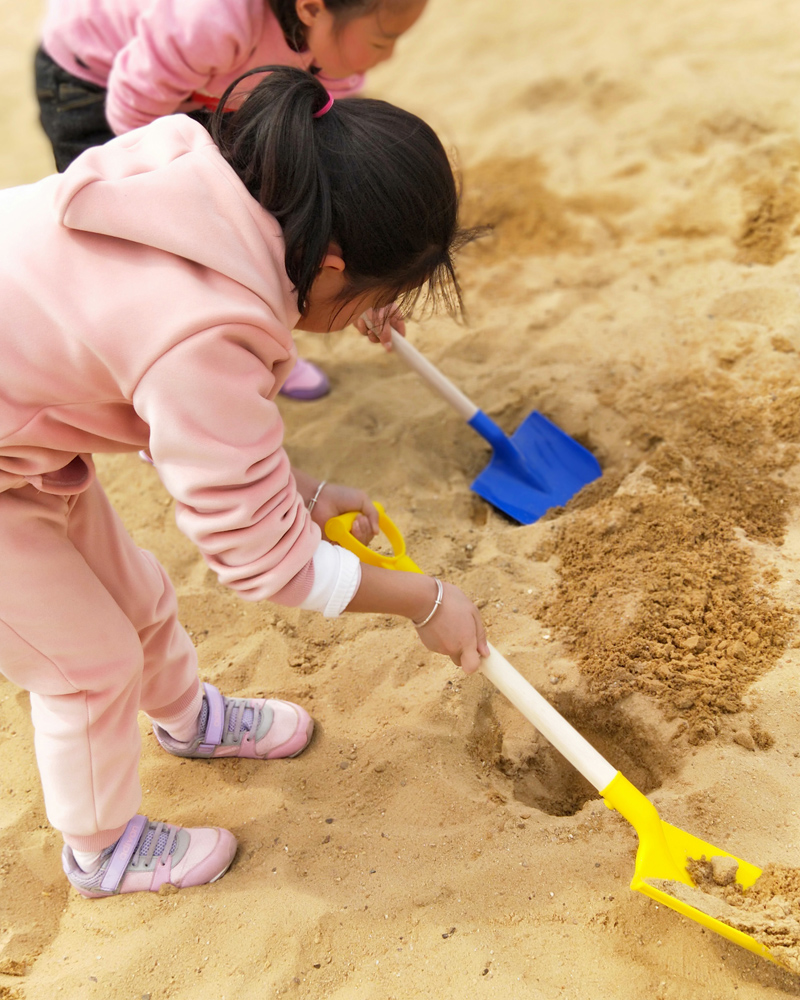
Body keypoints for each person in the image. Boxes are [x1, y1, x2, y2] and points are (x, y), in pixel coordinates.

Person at [0, 67, 487, 898]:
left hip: (24, 427)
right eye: (377, 292)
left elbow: (179, 421)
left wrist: (297, 490)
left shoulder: (209, 186)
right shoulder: (204, 332)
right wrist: (426, 601)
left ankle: (189, 721)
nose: (373, 312)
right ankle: (102, 850)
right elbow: (262, 562)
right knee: (87, 662)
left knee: (142, 598)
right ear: (333, 256)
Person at [34, 0, 428, 400]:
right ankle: (163, 388)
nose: (390, 56)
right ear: (312, 9)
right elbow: (134, 118)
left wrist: (361, 282)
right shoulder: (212, 19)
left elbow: (319, 176)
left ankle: (254, 347)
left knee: (254, 208)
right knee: (146, 247)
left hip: (209, 85)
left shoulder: (336, 55)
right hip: (100, 82)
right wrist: (180, 204)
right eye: (383, 40)